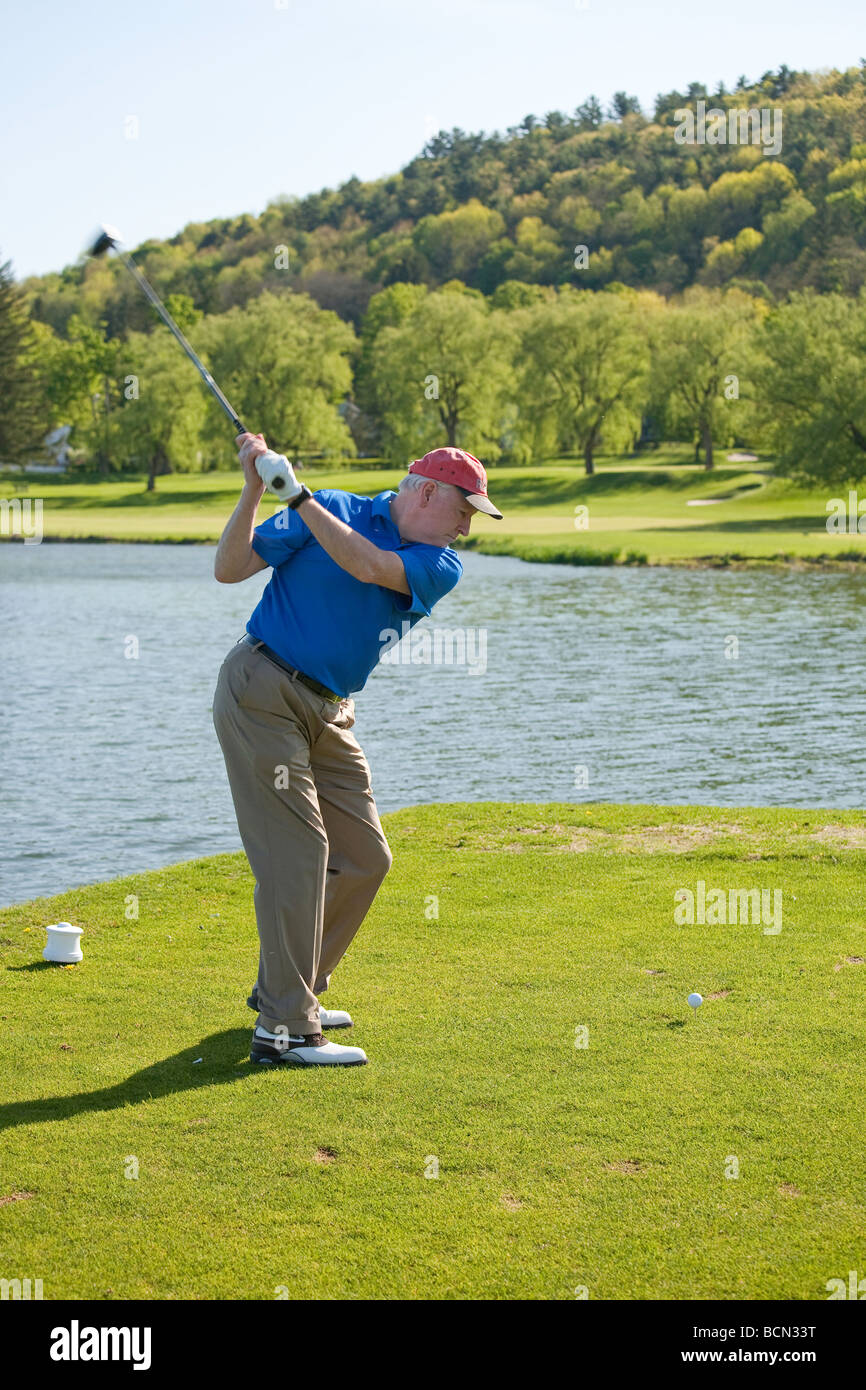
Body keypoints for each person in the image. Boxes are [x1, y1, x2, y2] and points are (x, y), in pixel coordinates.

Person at [212, 434, 503, 1067]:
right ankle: (284, 1030)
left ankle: (289, 993)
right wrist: (256, 490)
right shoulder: (334, 507)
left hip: (330, 711)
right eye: (464, 511)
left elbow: (368, 566)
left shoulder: (439, 563)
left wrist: (300, 496)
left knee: (366, 856)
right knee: (300, 852)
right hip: (262, 689)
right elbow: (229, 569)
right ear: (428, 492)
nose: (465, 526)